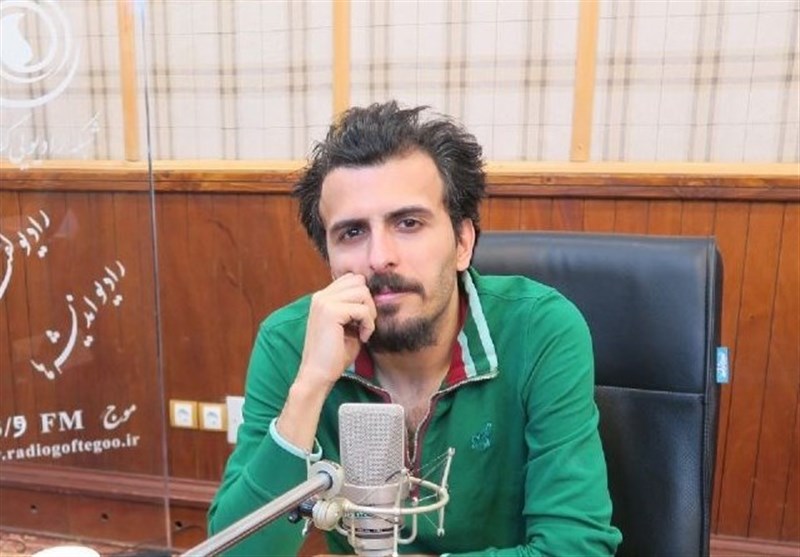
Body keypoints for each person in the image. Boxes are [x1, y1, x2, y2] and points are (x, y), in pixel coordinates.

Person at [208, 101, 622, 555]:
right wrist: (309, 387)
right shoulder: (290, 342)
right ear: (328, 258)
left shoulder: (540, 329)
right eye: (352, 233)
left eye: (408, 223)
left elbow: (575, 548)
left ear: (462, 242)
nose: (379, 257)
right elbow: (232, 554)